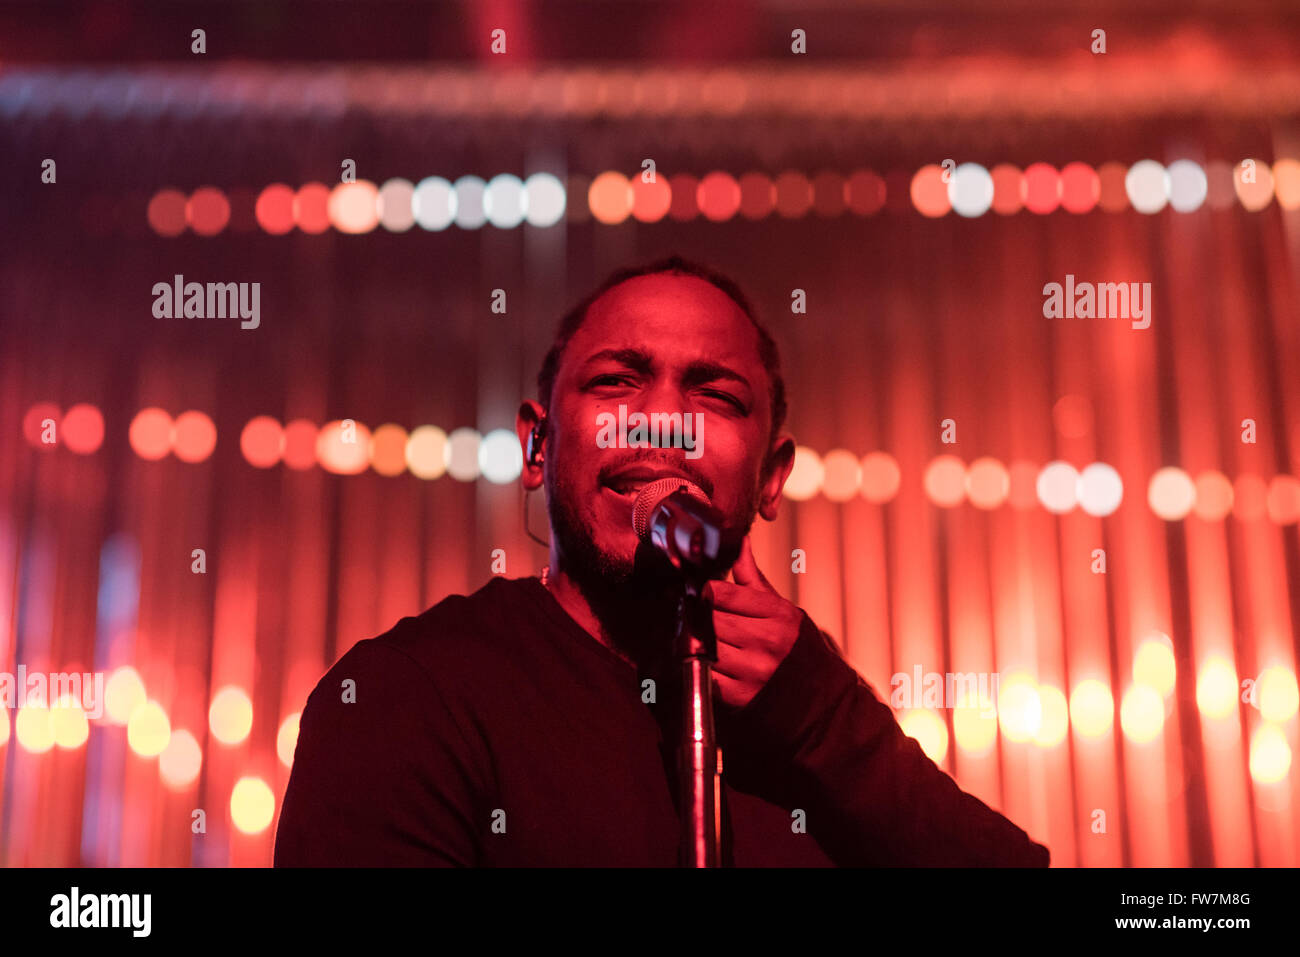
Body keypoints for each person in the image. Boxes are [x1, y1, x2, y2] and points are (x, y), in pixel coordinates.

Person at [274, 255, 1051, 867]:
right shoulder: (410, 695)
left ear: (771, 476)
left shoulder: (814, 728)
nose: (664, 424)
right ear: (538, 446)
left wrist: (826, 720)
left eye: (714, 397)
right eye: (617, 383)